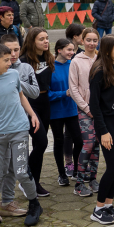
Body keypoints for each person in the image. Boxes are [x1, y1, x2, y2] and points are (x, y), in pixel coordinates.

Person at [0, 42, 44, 227]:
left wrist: (32, 114)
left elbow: (21, 95)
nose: (10, 62)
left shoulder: (14, 75)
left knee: (22, 171)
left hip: (19, 129)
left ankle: (34, 204)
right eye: (6, 60)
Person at [87, 36, 114, 224]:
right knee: (112, 167)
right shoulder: (98, 70)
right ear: (106, 51)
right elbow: (94, 105)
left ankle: (109, 206)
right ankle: (98, 208)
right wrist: (103, 131)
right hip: (107, 123)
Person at [69, 29, 99, 196]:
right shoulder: (76, 61)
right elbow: (73, 88)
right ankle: (79, 182)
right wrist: (86, 108)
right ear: (83, 40)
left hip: (100, 110)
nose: (91, 43)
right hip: (84, 110)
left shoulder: (101, 58)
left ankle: (93, 178)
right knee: (87, 144)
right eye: (88, 40)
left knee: (97, 145)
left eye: (95, 40)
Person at [48, 38, 82, 188]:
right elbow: (46, 94)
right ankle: (62, 174)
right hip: (55, 111)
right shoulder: (50, 68)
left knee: (79, 140)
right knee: (59, 141)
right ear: (59, 50)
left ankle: (75, 169)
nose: (72, 53)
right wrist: (64, 93)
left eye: (73, 50)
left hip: (72, 109)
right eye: (69, 50)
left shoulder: (73, 64)